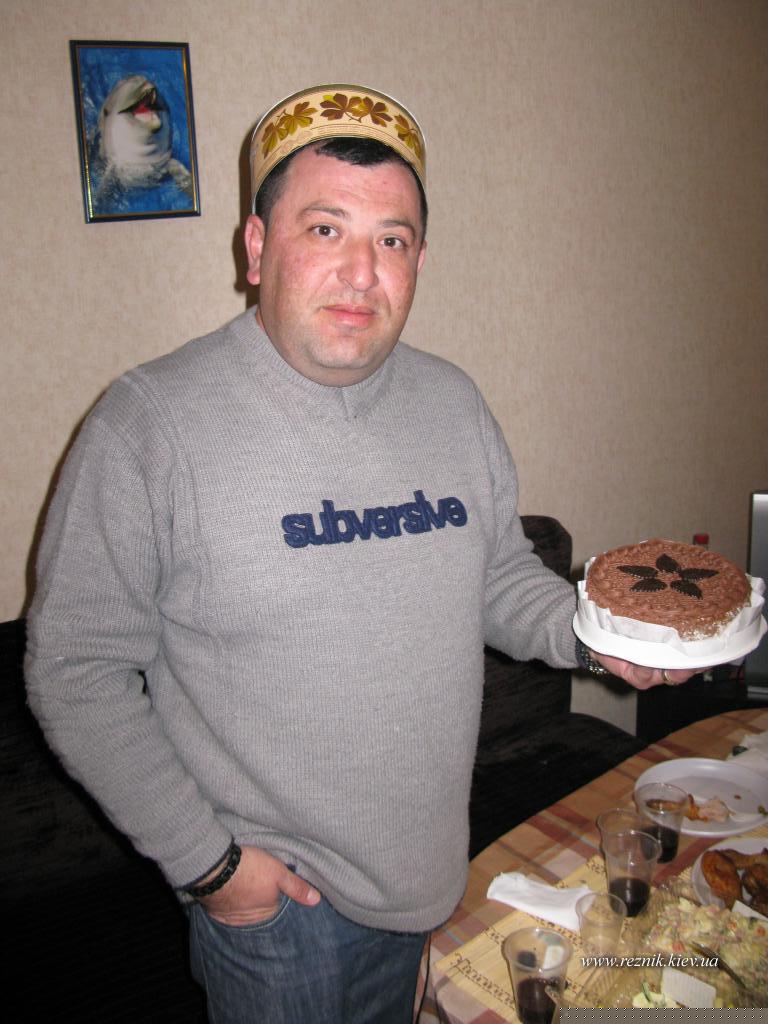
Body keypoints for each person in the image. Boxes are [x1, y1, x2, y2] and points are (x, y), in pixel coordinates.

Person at [25, 84, 697, 1024]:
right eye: (325, 229)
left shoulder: (452, 402)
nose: (360, 272)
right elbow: (75, 669)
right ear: (256, 249)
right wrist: (212, 868)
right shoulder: (148, 425)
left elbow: (499, 578)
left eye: (391, 239)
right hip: (280, 916)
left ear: (420, 260)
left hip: (431, 870)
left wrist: (602, 635)